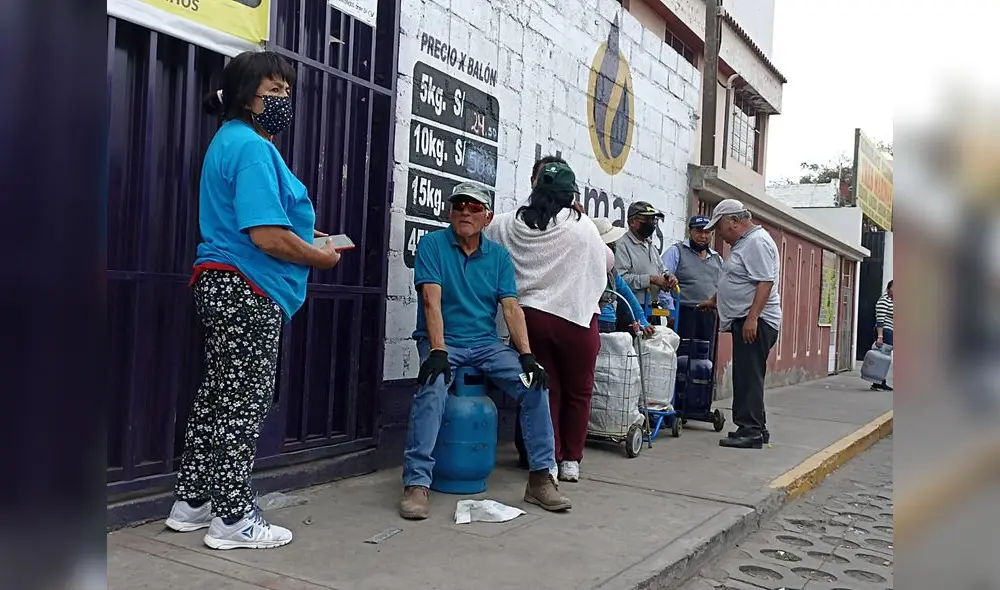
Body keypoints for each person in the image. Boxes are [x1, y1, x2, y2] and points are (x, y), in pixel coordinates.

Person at [165, 51, 343, 550]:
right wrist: (318, 258)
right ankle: (235, 518)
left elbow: (271, 221)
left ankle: (193, 500)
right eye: (275, 92)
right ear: (248, 97)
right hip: (248, 288)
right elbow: (266, 234)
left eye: (288, 92)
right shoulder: (251, 148)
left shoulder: (232, 141)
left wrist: (313, 238)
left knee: (218, 394)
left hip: (221, 283)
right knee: (245, 401)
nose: (285, 101)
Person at [400, 182, 571, 520]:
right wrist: (438, 350)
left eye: (474, 207)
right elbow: (430, 301)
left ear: (487, 217)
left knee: (535, 385)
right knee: (433, 389)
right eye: (459, 205)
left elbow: (511, 308)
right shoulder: (433, 245)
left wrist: (526, 356)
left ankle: (540, 478)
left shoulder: (498, 257)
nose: (465, 211)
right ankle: (417, 483)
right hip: (444, 342)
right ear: (450, 213)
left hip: (485, 344)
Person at [486, 161, 608, 483]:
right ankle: (572, 461)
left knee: (544, 390)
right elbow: (605, 263)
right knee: (578, 393)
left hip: (530, 320)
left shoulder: (509, 224)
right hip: (577, 319)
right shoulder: (582, 226)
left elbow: (486, 235)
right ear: (570, 193)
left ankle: (548, 460)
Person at [698, 199, 781, 449]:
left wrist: (752, 317)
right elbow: (738, 278)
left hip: (756, 321)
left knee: (748, 376)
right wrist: (716, 300)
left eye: (720, 227)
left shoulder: (757, 242)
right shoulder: (745, 243)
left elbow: (765, 282)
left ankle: (751, 430)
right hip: (747, 318)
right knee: (748, 374)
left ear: (734, 221)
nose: (719, 234)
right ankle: (756, 426)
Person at [663, 215, 724, 350]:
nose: (703, 236)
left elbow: (724, 286)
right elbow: (663, 280)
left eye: (707, 232)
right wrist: (671, 311)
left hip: (708, 314)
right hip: (684, 312)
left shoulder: (717, 258)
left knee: (704, 358)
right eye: (699, 231)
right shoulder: (676, 252)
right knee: (682, 356)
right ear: (689, 231)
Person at [615, 201, 678, 326]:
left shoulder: (650, 245)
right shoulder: (622, 245)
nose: (652, 224)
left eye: (653, 220)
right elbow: (620, 279)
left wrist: (669, 277)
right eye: (646, 219)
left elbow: (662, 269)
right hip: (631, 309)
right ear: (632, 222)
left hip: (652, 308)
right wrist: (651, 279)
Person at [592, 218, 655, 336]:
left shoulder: (611, 272)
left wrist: (642, 321)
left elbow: (626, 293)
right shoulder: (588, 269)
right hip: (594, 322)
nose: (613, 246)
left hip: (608, 323)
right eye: (610, 244)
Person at [871, 280, 894, 391]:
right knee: (883, 357)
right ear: (889, 288)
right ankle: (878, 382)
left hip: (891, 332)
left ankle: (879, 381)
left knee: (885, 357)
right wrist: (880, 336)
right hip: (885, 331)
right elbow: (880, 320)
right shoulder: (884, 301)